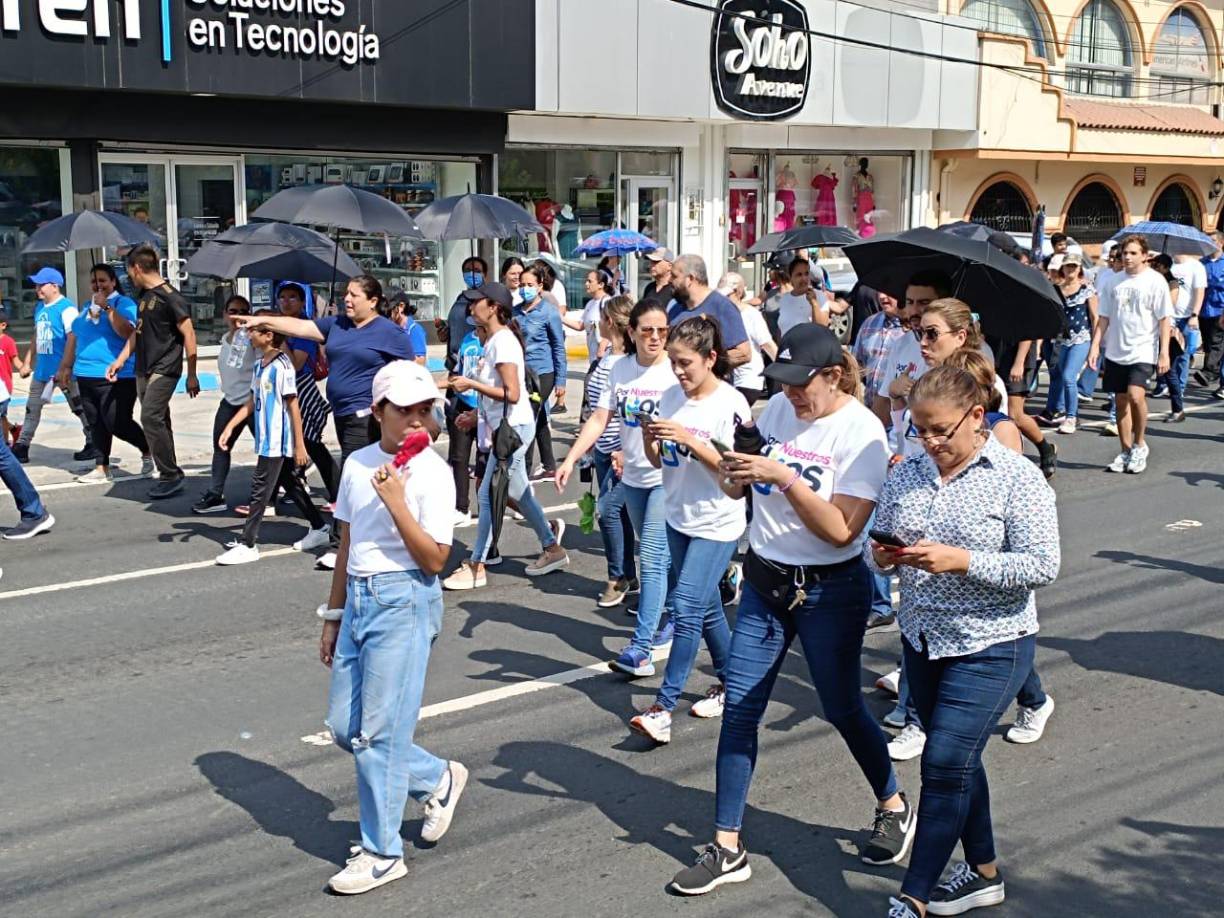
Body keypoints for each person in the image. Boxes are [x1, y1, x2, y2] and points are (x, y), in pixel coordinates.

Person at [669, 324, 913, 898]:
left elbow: (840, 530)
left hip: (831, 589)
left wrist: (784, 476)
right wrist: (734, 463)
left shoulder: (863, 432)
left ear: (833, 376)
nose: (792, 395)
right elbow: (736, 493)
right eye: (783, 383)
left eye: (802, 385)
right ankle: (727, 846)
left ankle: (893, 803)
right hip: (765, 583)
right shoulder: (775, 410)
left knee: (842, 707)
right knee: (740, 709)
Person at [869, 365, 1060, 918]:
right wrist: (882, 556)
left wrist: (964, 562)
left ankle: (916, 894)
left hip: (993, 643)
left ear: (977, 417)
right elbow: (875, 545)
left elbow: (1042, 565)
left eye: (940, 431)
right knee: (961, 763)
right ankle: (984, 873)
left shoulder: (1015, 477)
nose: (929, 443)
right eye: (919, 430)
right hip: (924, 640)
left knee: (944, 761)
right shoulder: (907, 473)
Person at [318, 360, 466, 896]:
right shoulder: (357, 462)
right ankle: (435, 778)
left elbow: (435, 560)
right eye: (404, 410)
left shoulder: (433, 472)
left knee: (376, 737)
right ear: (377, 411)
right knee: (343, 727)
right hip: (359, 599)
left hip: (404, 599)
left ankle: (383, 852)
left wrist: (398, 503)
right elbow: (347, 544)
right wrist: (333, 617)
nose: (416, 421)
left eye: (424, 409)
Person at [237, 275, 414, 567]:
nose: (347, 299)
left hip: (366, 417)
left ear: (373, 302)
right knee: (369, 478)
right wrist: (262, 322)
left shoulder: (388, 332)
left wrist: (393, 407)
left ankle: (338, 544)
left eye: (355, 295)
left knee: (350, 479)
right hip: (343, 416)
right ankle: (383, 530)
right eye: (346, 293)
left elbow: (408, 371)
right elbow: (300, 326)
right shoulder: (337, 324)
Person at [629, 316, 750, 744]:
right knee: (708, 608)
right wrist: (650, 437)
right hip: (679, 517)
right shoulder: (668, 397)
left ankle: (663, 706)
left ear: (711, 359)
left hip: (718, 522)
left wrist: (690, 439)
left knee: (685, 607)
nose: (678, 372)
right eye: (674, 363)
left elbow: (736, 473)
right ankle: (735, 682)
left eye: (686, 364)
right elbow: (660, 459)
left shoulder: (730, 404)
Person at [556, 299, 679, 676]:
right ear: (632, 332)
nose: (655, 337)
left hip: (668, 478)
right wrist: (572, 457)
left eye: (662, 331)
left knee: (653, 559)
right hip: (635, 478)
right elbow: (600, 417)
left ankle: (640, 648)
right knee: (664, 553)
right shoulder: (620, 369)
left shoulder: (675, 372)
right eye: (647, 330)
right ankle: (684, 605)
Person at [442, 282, 568, 589]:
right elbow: (501, 394)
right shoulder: (494, 340)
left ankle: (477, 564)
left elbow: (512, 393)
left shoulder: (503, 342)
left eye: (476, 302)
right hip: (507, 427)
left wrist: (472, 387)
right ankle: (552, 546)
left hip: (513, 429)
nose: (471, 307)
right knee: (518, 491)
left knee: (488, 495)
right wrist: (476, 414)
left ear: (494, 307)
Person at [214, 315, 329, 565]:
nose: (249, 334)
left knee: (259, 488)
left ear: (269, 336)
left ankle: (248, 543)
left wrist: (299, 444)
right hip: (266, 439)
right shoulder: (260, 365)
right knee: (291, 482)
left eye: (254, 330)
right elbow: (251, 400)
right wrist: (230, 426)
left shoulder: (283, 366)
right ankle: (319, 527)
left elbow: (293, 406)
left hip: (278, 440)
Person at [110, 246, 200, 499]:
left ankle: (170, 473)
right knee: (160, 420)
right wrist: (119, 361)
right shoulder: (144, 297)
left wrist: (191, 373)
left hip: (165, 367)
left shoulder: (171, 297)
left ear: (137, 268)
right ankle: (169, 471)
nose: (129, 276)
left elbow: (189, 333)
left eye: (129, 270)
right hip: (143, 367)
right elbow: (137, 334)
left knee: (149, 417)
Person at [56, 263, 153, 484]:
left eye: (102, 280)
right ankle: (102, 466)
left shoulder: (124, 303)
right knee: (95, 422)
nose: (97, 285)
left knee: (116, 421)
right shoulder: (85, 308)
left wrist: (108, 308)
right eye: (94, 281)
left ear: (113, 282)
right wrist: (65, 367)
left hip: (117, 374)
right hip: (85, 373)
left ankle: (148, 449)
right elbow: (75, 338)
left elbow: (129, 333)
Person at [1088, 234, 1173, 475]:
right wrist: (1095, 346)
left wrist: (1164, 353)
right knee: (1121, 401)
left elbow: (1164, 319)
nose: (1127, 257)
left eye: (1133, 253)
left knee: (1137, 396)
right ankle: (1125, 450)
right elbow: (1103, 317)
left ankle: (1139, 444)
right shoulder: (1113, 282)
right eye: (1125, 253)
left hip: (1143, 349)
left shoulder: (1155, 282)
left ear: (1145, 256)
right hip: (1116, 350)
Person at [583, 295, 638, 607]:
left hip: (622, 450)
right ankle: (628, 576)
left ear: (610, 322)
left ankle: (617, 577)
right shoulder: (606, 357)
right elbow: (595, 409)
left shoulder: (626, 366)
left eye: (601, 317)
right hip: (603, 448)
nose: (597, 322)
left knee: (608, 510)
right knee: (622, 515)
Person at [13, 266, 94, 464]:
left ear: (55, 286)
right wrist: (27, 361)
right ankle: (22, 445)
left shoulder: (66, 309)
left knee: (78, 407)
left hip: (65, 371)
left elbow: (73, 339)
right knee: (32, 408)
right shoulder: (40, 308)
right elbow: (37, 335)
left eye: (41, 284)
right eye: (36, 285)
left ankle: (93, 441)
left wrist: (65, 367)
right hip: (43, 371)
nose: (37, 288)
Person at [872, 271, 953, 452]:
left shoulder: (971, 353)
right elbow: (883, 402)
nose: (915, 311)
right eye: (910, 302)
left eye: (924, 303)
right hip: (902, 453)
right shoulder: (900, 344)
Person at [193, 295, 258, 514]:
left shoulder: (252, 339)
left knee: (270, 453)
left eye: (242, 311)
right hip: (230, 401)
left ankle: (288, 484)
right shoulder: (224, 339)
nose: (236, 316)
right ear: (224, 314)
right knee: (220, 448)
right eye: (232, 311)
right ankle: (215, 493)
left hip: (251, 403)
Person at [514, 266, 567, 479]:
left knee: (528, 414)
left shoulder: (549, 312)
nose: (525, 289)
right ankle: (549, 464)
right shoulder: (515, 312)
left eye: (530, 285)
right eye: (522, 285)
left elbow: (558, 346)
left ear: (540, 287)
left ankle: (523, 472)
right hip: (522, 373)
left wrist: (561, 380)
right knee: (540, 417)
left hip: (544, 373)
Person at [1037, 254, 1097, 434]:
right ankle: (1059, 410)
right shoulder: (1055, 290)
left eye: (1074, 266)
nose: (1071, 269)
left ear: (1079, 268)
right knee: (1060, 375)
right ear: (1062, 268)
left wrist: (1095, 345)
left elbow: (1095, 318)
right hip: (1059, 340)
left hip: (1081, 338)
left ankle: (1072, 416)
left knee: (1069, 376)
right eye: (1067, 266)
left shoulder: (1088, 290)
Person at [668, 255, 750, 368]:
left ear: (690, 279)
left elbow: (744, 353)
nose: (669, 280)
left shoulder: (722, 306)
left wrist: (704, 364)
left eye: (674, 276)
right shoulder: (675, 309)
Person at [1158, 252, 1207, 422]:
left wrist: (1192, 316)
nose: (1152, 268)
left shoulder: (1172, 284)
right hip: (1150, 329)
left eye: (1156, 265)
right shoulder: (1154, 281)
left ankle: (1178, 407)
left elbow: (1167, 308)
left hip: (1173, 325)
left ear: (1163, 267)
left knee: (1173, 365)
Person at [447, 308, 483, 525]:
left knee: (484, 460)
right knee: (459, 457)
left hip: (486, 407)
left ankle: (497, 503)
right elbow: (459, 372)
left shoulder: (497, 342)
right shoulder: (467, 340)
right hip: (464, 403)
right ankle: (461, 507)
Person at [720, 272, 776, 405]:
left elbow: (767, 344)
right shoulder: (720, 314)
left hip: (748, 379)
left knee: (735, 415)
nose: (724, 299)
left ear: (738, 292)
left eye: (728, 295)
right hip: (727, 379)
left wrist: (785, 374)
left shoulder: (751, 314)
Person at [853, 289, 905, 405]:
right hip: (870, 408)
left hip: (899, 412)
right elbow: (856, 365)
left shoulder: (912, 329)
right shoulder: (869, 323)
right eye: (879, 291)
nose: (881, 297)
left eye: (888, 292)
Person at [439, 256, 488, 368]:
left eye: (477, 270)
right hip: (455, 362)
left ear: (485, 274)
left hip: (475, 362)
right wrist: (445, 333)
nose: (472, 273)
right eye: (467, 270)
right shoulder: (461, 298)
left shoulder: (488, 299)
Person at [1194, 230, 1224, 395]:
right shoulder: (1201, 263)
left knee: (1216, 343)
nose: (1209, 243)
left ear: (1220, 243)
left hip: (1220, 309)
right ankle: (1210, 373)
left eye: (1212, 240)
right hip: (1204, 310)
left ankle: (1209, 372)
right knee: (1208, 343)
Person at [773, 257, 831, 338]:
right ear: (791, 278)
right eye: (799, 275)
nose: (804, 278)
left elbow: (822, 328)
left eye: (806, 273)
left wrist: (814, 303)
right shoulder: (785, 299)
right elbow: (781, 328)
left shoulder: (819, 296)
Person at [0, 308, 25, 447]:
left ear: (3, 325)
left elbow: (15, 361)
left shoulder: (8, 342)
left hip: (3, 387)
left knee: (1, 416)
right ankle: (14, 430)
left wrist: (23, 368)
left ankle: (3, 445)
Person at [388, 291, 429, 365]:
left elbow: (420, 361)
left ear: (401, 306)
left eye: (389, 308)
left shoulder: (414, 329)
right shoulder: (390, 327)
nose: (387, 312)